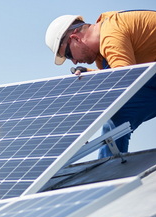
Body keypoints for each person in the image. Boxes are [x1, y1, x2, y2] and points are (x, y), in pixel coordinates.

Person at [45, 10, 156, 158]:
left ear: (75, 38)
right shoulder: (101, 53)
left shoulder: (110, 34)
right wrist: (91, 76)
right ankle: (111, 170)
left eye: (69, 55)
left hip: (146, 78)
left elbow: (126, 80)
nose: (74, 62)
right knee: (118, 115)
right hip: (150, 77)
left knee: (117, 105)